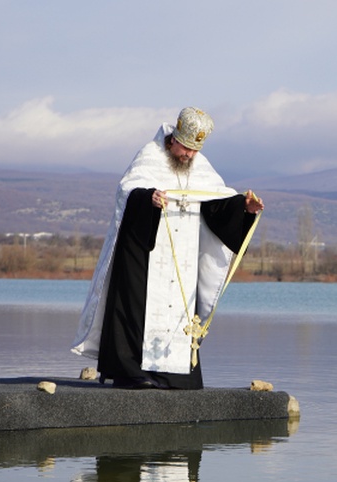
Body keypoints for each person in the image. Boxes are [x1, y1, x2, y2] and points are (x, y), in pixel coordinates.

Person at [71, 107, 263, 389]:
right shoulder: (149, 156)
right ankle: (130, 372)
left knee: (181, 310)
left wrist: (243, 209)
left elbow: (216, 202)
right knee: (139, 305)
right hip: (146, 251)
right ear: (174, 139)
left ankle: (176, 374)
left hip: (183, 258)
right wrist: (149, 198)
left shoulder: (200, 166)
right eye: (185, 148)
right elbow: (127, 192)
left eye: (194, 151)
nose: (188, 156)